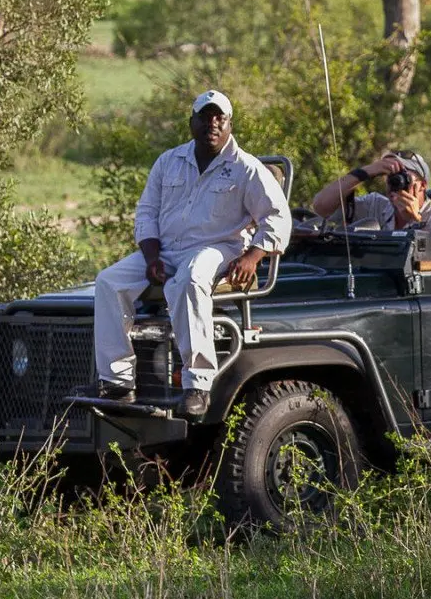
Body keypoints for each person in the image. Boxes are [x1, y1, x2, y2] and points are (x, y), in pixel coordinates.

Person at [92, 90, 291, 416]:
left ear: (229, 124)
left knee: (190, 277)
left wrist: (252, 257)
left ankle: (197, 385)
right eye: (205, 117)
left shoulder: (247, 168)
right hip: (167, 249)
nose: (212, 124)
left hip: (218, 248)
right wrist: (153, 257)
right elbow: (146, 213)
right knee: (108, 281)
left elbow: (277, 219)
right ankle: (118, 383)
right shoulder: (169, 161)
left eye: (219, 118)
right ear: (192, 123)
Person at [309, 149, 431, 259]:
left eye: (403, 176)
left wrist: (417, 224)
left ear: (422, 185)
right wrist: (365, 172)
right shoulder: (376, 205)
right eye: (391, 177)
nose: (396, 182)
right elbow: (321, 207)